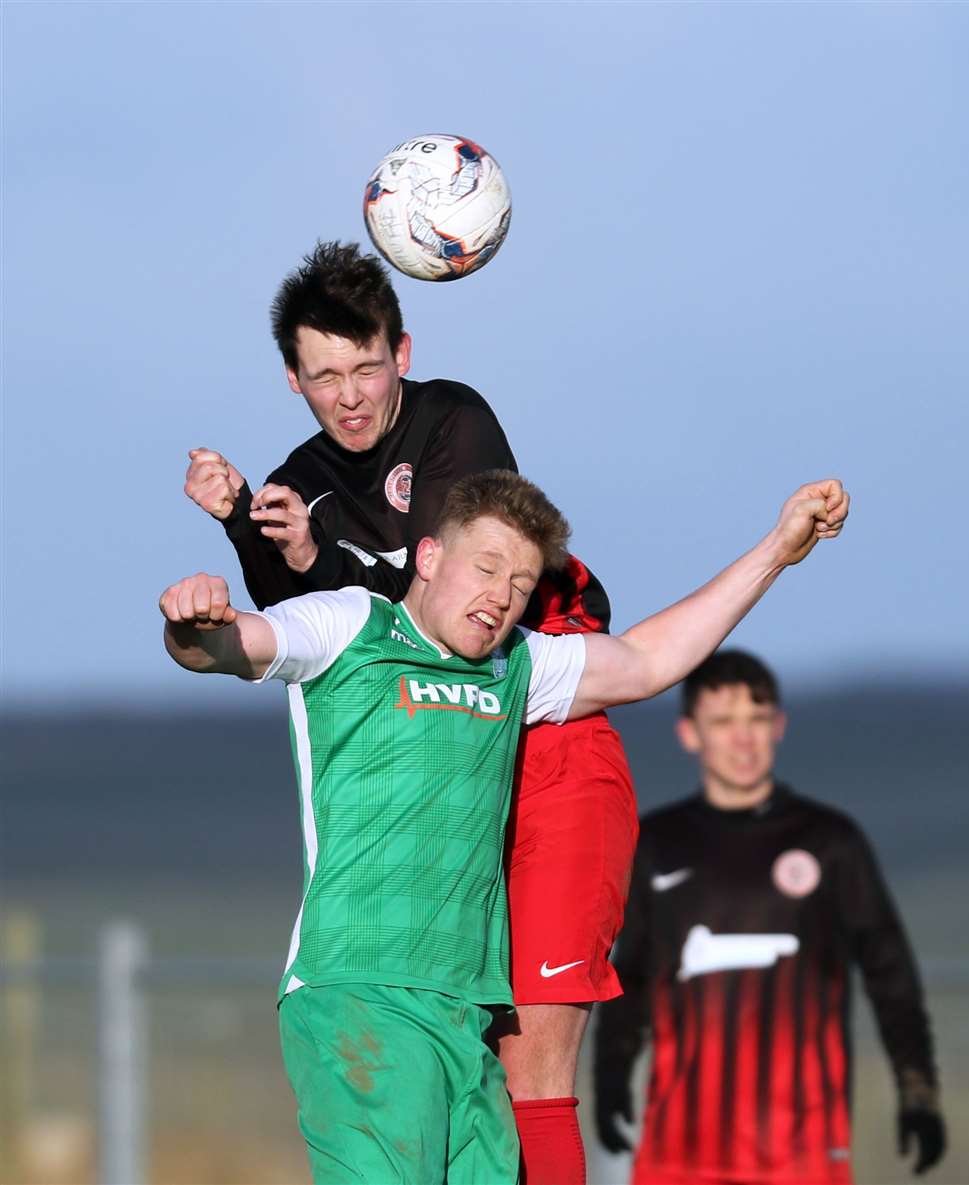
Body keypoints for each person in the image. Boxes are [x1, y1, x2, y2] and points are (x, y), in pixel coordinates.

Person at [160, 470, 849, 1184]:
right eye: (486, 567)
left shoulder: (513, 664)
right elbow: (232, 645)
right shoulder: (349, 626)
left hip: (467, 1015)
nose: (500, 596)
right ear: (428, 557)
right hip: (360, 996)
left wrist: (776, 550)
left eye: (519, 584)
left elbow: (647, 661)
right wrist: (192, 621)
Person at [183, 241, 634, 1181]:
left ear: (404, 351)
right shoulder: (295, 476)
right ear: (294, 379)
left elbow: (440, 605)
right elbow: (322, 642)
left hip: (542, 729)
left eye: (367, 367)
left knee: (534, 1061)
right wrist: (245, 532)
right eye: (325, 376)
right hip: (440, 764)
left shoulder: (450, 421)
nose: (349, 395)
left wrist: (319, 559)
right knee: (460, 1072)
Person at [593, 649, 946, 1185]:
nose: (743, 738)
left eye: (757, 720)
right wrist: (610, 1074)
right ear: (690, 734)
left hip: (801, 1146)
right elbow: (632, 973)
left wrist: (918, 1089)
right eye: (724, 722)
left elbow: (890, 975)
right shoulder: (657, 844)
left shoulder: (830, 842)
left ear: (778, 726)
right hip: (681, 1147)